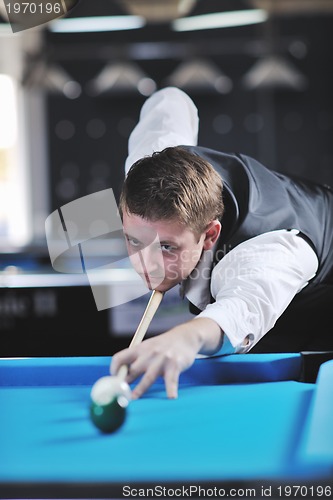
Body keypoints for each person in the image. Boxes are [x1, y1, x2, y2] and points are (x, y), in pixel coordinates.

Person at [111, 87, 333, 399]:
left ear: (210, 235)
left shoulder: (264, 253)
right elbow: (171, 100)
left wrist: (185, 338)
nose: (144, 264)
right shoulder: (148, 171)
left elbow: (242, 309)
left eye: (166, 247)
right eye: (134, 240)